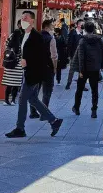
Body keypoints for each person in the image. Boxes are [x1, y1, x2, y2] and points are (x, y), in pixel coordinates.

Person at [5, 11, 63, 139]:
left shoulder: (37, 37)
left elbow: (42, 57)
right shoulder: (22, 35)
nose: (23, 19)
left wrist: (28, 62)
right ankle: (54, 121)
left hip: (33, 74)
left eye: (26, 18)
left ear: (32, 20)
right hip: (26, 72)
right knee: (33, 99)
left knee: (22, 99)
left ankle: (20, 128)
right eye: (22, 17)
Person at [73, 22, 103, 118]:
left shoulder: (82, 41)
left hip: (85, 69)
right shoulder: (99, 40)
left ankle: (77, 108)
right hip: (95, 69)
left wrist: (81, 70)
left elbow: (81, 56)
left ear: (85, 29)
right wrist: (102, 65)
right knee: (94, 90)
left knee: (79, 89)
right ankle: (94, 110)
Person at [30, 19, 58, 119]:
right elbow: (54, 56)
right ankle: (44, 113)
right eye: (52, 27)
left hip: (36, 67)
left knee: (35, 91)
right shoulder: (51, 38)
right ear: (46, 27)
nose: (53, 28)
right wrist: (54, 67)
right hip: (47, 68)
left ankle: (33, 112)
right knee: (47, 91)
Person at [1, 21, 25, 105]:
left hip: (10, 63)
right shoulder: (23, 39)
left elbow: (6, 45)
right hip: (18, 64)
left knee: (9, 83)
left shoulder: (11, 38)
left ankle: (6, 100)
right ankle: (13, 100)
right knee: (16, 83)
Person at [64, 19, 83, 89]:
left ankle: (81, 84)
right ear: (78, 25)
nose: (82, 25)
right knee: (72, 69)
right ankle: (68, 83)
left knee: (82, 70)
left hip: (82, 55)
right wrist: (69, 55)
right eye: (81, 24)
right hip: (74, 54)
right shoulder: (73, 32)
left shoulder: (84, 33)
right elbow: (70, 44)